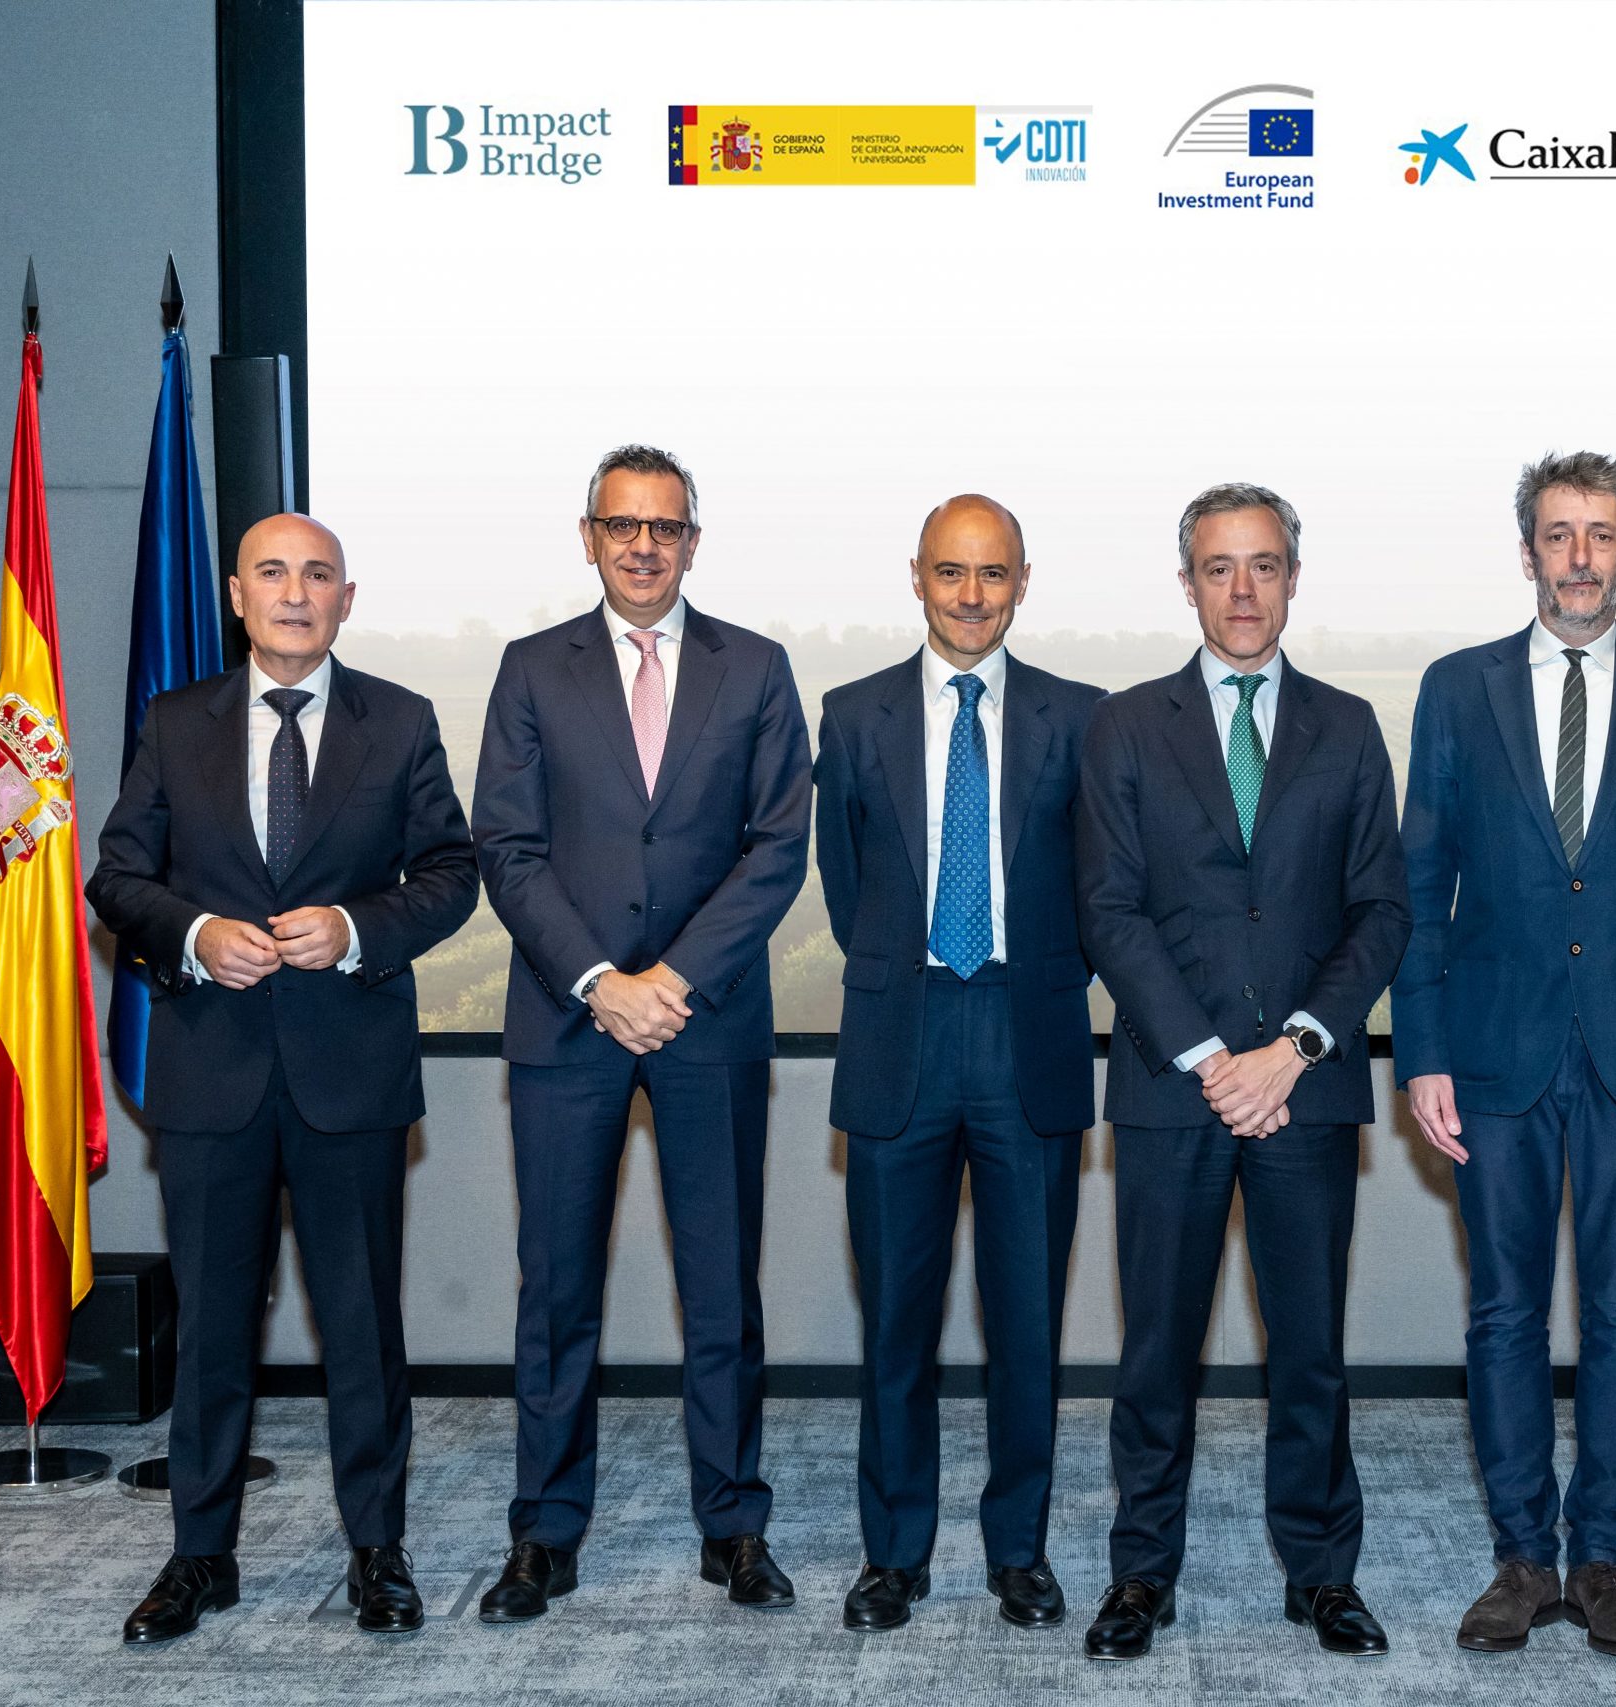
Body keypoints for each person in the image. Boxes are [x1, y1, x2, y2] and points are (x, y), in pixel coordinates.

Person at [90, 513, 478, 1644]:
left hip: (350, 1074)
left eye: (318, 575)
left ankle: (378, 1551)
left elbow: (451, 874)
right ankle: (199, 1557)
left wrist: (356, 928)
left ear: (347, 599)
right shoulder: (175, 724)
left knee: (363, 1327)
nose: (296, 593)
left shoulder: (399, 720)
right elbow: (117, 876)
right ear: (237, 594)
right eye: (273, 572)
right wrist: (197, 931)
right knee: (212, 1330)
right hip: (211, 1075)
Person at [1395, 451, 1616, 1659]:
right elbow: (1419, 887)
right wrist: (1420, 1051)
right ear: (1528, 553)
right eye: (1558, 534)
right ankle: (1519, 1560)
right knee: (1502, 1314)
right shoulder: (1456, 689)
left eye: (1601, 535)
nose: (1580, 557)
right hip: (1491, 1058)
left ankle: (1599, 1559)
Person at [471, 444, 812, 1622]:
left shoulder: (756, 668)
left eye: (665, 526)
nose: (643, 545)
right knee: (555, 1293)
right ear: (589, 537)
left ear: (692, 543)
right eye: (623, 524)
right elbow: (506, 847)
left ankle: (735, 1527)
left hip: (706, 1021)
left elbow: (779, 848)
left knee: (720, 1290)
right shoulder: (530, 668)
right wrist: (596, 980)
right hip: (568, 1022)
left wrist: (670, 978)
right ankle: (544, 1533)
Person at [1073, 482, 1411, 1662]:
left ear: (1292, 579)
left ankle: (1322, 1576)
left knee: (1308, 1351)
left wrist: (1295, 1049)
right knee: (1156, 1352)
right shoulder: (1125, 727)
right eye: (1219, 567)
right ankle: (1140, 1575)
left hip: (1305, 1092)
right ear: (1187, 584)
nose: (1242, 589)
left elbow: (1381, 910)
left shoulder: (1349, 726)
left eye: (1263, 565)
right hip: (1174, 1088)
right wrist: (1217, 1060)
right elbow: (1108, 912)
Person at [812, 494, 1103, 1633]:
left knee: (1026, 1323)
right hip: (904, 1032)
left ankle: (1018, 1552)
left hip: (1030, 1033)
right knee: (896, 1319)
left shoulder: (1081, 716)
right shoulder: (854, 713)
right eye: (951, 572)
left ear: (1022, 582)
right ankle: (894, 1554)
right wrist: (909, 972)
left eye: (992, 574)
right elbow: (847, 885)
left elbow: (1098, 883)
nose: (971, 596)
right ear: (917, 577)